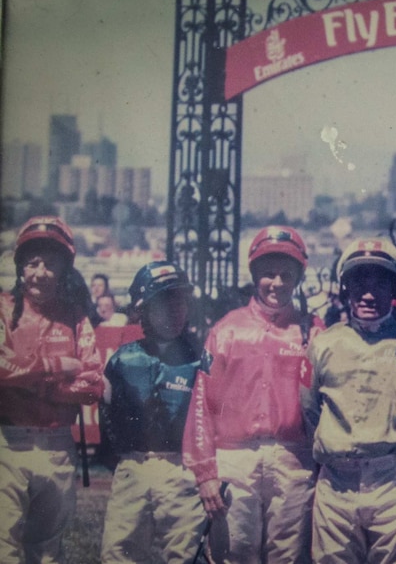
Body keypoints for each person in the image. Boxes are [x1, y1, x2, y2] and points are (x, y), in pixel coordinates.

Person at [183, 226, 324, 563]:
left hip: (293, 460)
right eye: (268, 274)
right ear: (255, 275)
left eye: (286, 275)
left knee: (288, 557)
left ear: (298, 278)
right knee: (234, 553)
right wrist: (205, 473)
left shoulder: (313, 332)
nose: (277, 283)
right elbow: (203, 403)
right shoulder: (226, 329)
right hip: (236, 459)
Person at [302, 238, 396, 564]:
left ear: (395, 289)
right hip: (337, 483)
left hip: (390, 483)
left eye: (380, 282)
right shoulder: (322, 346)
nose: (368, 294)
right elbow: (309, 409)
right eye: (359, 281)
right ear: (345, 288)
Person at [0, 215, 104, 562]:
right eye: (32, 263)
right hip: (8, 444)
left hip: (59, 444)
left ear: (64, 269)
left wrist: (35, 387)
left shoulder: (76, 317)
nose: (40, 273)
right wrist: (56, 368)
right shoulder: (2, 309)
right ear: (20, 268)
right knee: (4, 546)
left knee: (47, 551)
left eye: (50, 263)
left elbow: (92, 383)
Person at [100, 261, 204, 563]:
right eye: (163, 302)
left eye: (179, 300)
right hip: (134, 464)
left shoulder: (201, 359)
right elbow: (108, 412)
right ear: (143, 309)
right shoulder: (124, 359)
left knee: (184, 551)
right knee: (119, 551)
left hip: (182, 468)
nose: (173, 310)